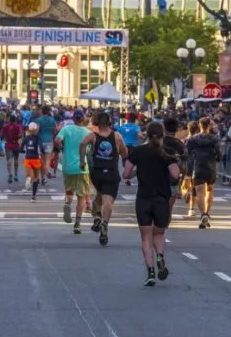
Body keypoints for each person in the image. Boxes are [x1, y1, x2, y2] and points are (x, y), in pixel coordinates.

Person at [124, 121, 182, 286]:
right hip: (161, 199)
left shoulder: (138, 151)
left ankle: (150, 272)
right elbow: (176, 174)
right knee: (159, 234)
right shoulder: (166, 153)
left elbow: (126, 174)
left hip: (143, 199)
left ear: (146, 134)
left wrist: (138, 171)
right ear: (162, 134)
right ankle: (160, 257)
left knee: (146, 237)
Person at [80, 112, 127, 246]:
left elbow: (83, 144)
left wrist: (82, 161)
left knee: (99, 195)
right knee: (108, 201)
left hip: (97, 173)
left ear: (96, 122)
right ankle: (104, 223)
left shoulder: (92, 136)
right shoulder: (117, 136)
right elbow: (125, 152)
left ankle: (97, 217)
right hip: (112, 173)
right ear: (109, 122)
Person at [55, 111, 91, 234]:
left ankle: (68, 203)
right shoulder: (87, 132)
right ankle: (77, 223)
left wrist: (63, 148)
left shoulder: (67, 129)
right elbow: (89, 149)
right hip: (82, 167)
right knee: (81, 196)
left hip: (68, 165)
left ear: (73, 119)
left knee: (69, 190)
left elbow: (57, 140)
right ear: (83, 119)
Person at [187, 117, 223, 228]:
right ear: (209, 126)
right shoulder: (214, 139)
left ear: (199, 125)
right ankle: (207, 212)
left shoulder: (193, 139)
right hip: (210, 166)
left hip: (198, 166)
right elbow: (219, 152)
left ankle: (202, 214)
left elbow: (187, 152)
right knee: (209, 190)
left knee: (199, 193)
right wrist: (218, 158)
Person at [34, 106, 57, 185]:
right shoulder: (52, 120)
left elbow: (36, 130)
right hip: (49, 140)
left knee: (41, 160)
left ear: (42, 111)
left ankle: (43, 177)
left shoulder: (38, 120)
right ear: (48, 112)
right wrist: (53, 135)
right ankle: (46, 171)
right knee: (47, 159)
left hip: (40, 141)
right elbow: (55, 130)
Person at [21, 122, 43, 201]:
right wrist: (42, 153)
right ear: (36, 129)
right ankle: (33, 196)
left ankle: (28, 179)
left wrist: (25, 151)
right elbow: (40, 147)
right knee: (36, 177)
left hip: (28, 158)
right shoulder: (38, 138)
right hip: (36, 158)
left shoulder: (26, 138)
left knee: (28, 174)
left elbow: (21, 148)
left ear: (29, 129)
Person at [1, 114, 24, 184]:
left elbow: (1, 136)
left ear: (9, 120)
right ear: (15, 120)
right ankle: (16, 174)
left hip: (8, 144)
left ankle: (10, 174)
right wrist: (17, 138)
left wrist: (7, 137)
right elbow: (20, 135)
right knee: (16, 160)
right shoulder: (18, 126)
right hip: (16, 144)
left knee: (9, 160)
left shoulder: (5, 127)